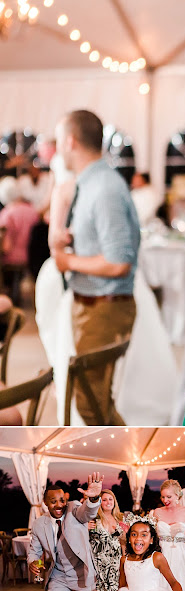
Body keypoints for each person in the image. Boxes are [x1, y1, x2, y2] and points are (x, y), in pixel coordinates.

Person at [51, 109, 140, 426]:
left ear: (70, 141)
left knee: (91, 404)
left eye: (59, 140)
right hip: (94, 306)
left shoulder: (103, 188)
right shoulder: (93, 182)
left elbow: (119, 261)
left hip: (104, 309)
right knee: (96, 400)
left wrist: (68, 261)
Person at [27, 473, 105, 591]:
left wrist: (93, 499)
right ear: (45, 503)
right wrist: (33, 561)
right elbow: (35, 550)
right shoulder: (39, 524)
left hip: (82, 574)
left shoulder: (74, 509)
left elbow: (87, 513)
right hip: (59, 576)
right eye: (53, 501)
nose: (59, 505)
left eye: (62, 500)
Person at [88, 489, 127, 591]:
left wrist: (124, 560)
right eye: (104, 500)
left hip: (114, 562)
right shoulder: (93, 519)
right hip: (98, 562)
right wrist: (85, 528)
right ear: (100, 502)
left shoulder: (119, 518)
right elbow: (82, 538)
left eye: (110, 499)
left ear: (114, 502)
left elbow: (123, 542)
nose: (108, 502)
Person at [0, 175, 41, 305]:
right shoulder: (33, 211)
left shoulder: (8, 213)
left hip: (11, 257)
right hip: (32, 257)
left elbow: (6, 246)